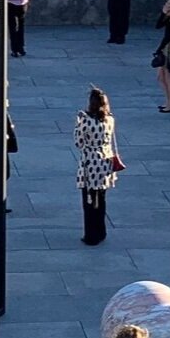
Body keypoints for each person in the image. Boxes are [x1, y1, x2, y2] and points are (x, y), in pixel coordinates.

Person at [75, 86, 120, 246]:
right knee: (101, 199)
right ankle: (101, 231)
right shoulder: (110, 119)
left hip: (90, 162)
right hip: (105, 161)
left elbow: (79, 142)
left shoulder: (85, 120)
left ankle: (91, 235)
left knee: (89, 200)